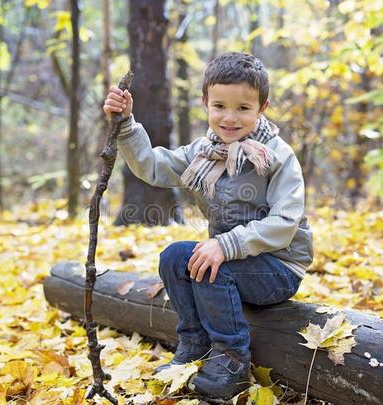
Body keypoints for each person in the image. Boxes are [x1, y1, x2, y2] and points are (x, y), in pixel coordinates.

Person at [103, 52, 313, 399]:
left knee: (215, 268)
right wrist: (125, 124)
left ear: (263, 107)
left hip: (278, 267)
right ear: (205, 103)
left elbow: (285, 222)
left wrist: (226, 245)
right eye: (219, 106)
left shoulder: (276, 155)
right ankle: (193, 343)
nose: (230, 118)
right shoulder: (204, 152)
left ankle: (231, 358)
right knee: (175, 257)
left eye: (243, 108)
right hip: (231, 261)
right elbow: (152, 166)